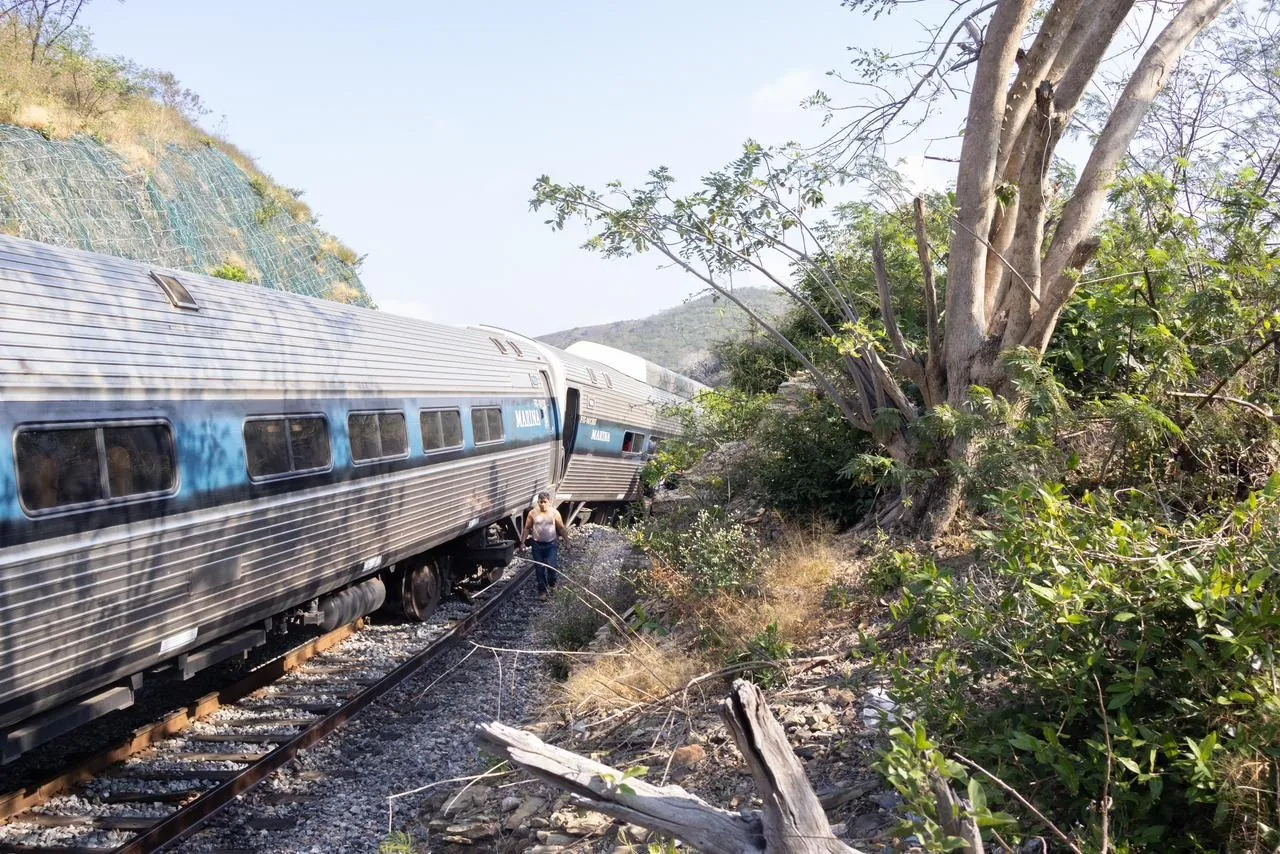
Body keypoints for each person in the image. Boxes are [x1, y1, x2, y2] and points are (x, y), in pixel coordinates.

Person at [521, 491, 567, 598]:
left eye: (545, 502)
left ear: (549, 502)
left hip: (551, 545)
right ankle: (542, 591)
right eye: (540, 502)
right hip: (537, 545)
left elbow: (561, 528)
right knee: (539, 569)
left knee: (551, 566)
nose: (542, 504)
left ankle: (552, 584)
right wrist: (522, 542)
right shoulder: (532, 513)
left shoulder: (554, 513)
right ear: (538, 502)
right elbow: (527, 528)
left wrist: (567, 541)